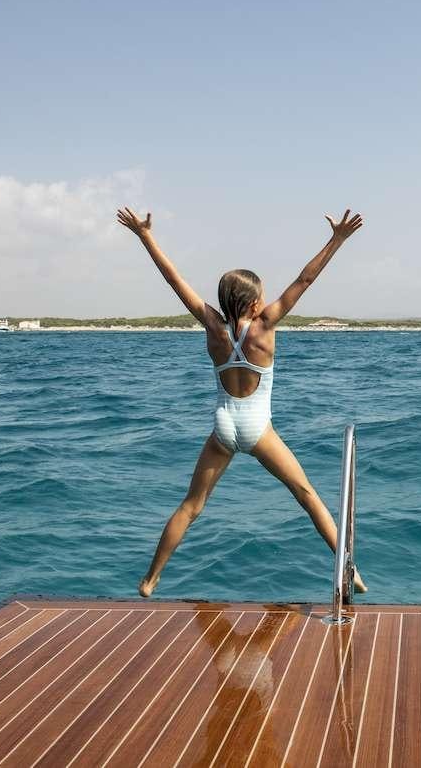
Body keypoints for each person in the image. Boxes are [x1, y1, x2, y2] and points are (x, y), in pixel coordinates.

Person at [117, 206, 370, 595]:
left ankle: (151, 579)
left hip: (223, 427)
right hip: (256, 429)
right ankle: (349, 570)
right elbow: (306, 279)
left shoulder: (211, 325)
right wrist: (336, 240)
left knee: (191, 505)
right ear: (254, 304)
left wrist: (144, 236)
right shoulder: (266, 326)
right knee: (307, 496)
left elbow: (173, 279)